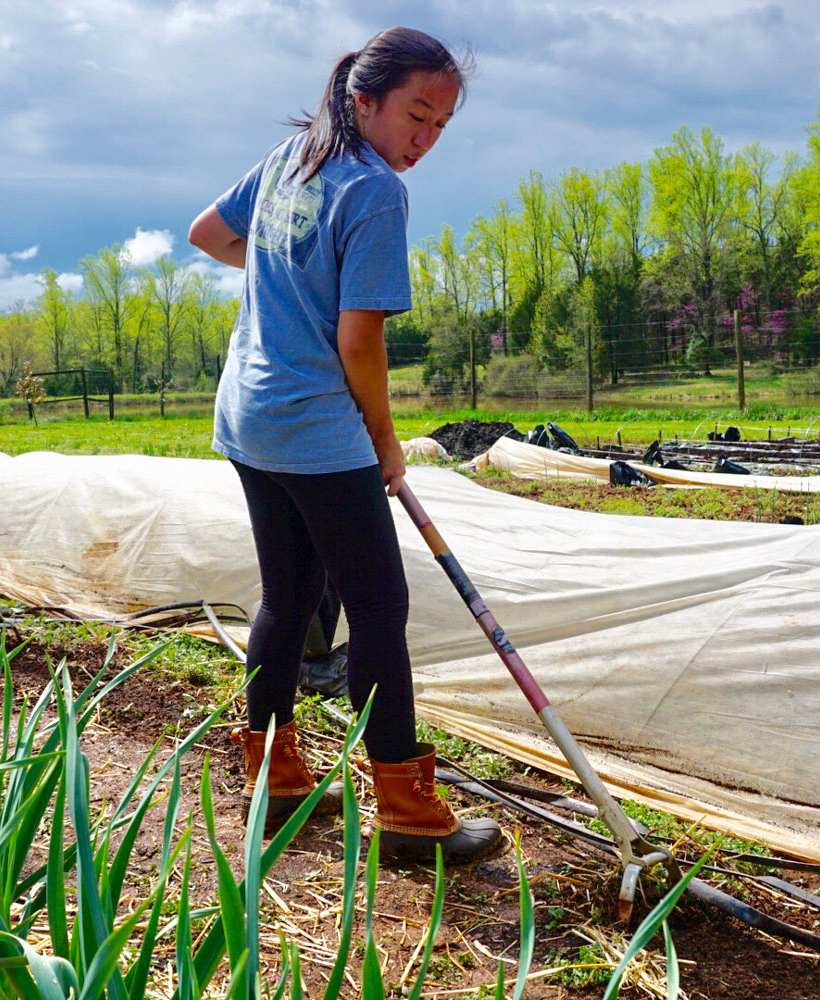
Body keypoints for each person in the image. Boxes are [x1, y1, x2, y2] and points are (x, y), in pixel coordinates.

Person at [188, 27, 501, 866]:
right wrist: (387, 442)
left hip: (250, 417)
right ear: (365, 101)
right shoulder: (374, 193)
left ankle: (273, 772)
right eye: (416, 114)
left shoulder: (292, 157)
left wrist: (278, 279)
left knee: (289, 595)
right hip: (319, 432)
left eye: (440, 125)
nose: (424, 139)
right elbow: (360, 343)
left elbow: (206, 235)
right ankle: (406, 813)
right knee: (377, 610)